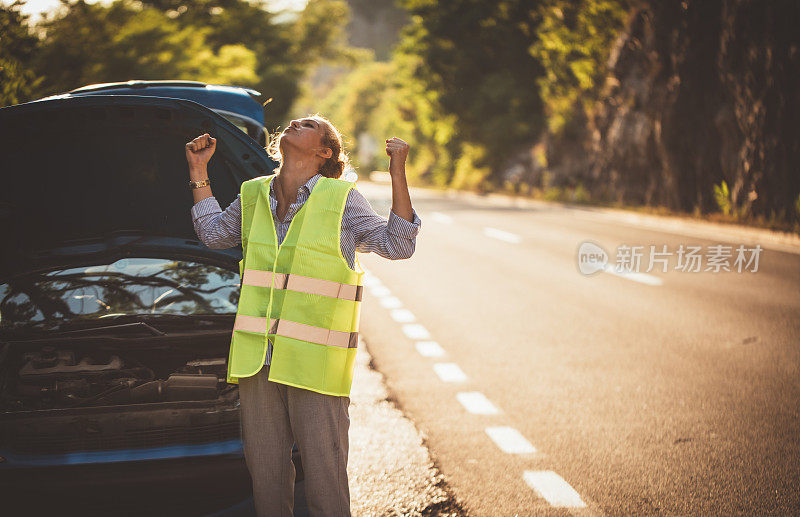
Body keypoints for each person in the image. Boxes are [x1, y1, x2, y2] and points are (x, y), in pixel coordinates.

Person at [184, 115, 421, 516]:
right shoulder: (253, 194)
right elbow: (213, 234)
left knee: (325, 482)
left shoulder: (341, 199)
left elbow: (398, 245)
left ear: (323, 152)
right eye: (296, 121)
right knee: (267, 481)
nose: (295, 122)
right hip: (258, 361)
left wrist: (397, 172)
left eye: (309, 124)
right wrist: (198, 170)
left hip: (315, 366)